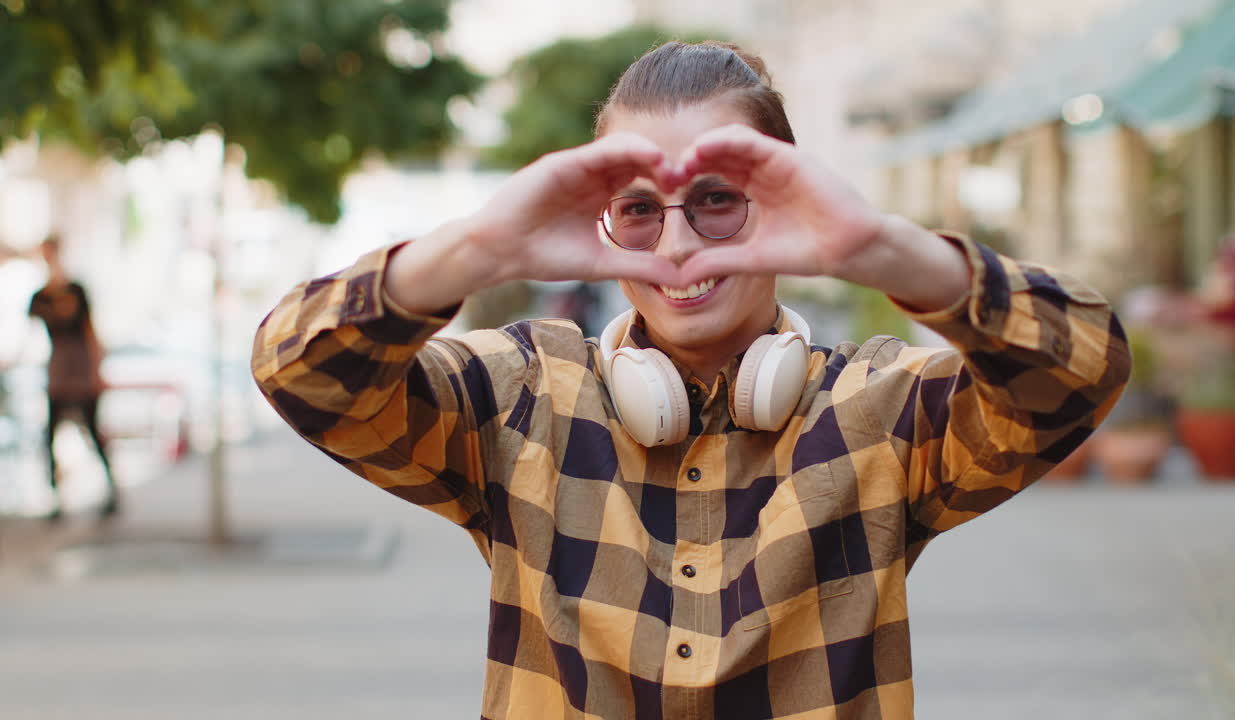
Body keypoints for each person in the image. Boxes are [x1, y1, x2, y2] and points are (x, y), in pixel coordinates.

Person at [253, 41, 1129, 719]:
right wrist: (475, 251)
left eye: (718, 200)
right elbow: (300, 373)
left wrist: (882, 250)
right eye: (637, 207)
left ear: (785, 202)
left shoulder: (880, 411)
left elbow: (1083, 367)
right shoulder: (522, 397)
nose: (676, 248)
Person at [28, 235, 118, 520]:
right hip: (58, 367)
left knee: (91, 429)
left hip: (78, 366)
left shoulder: (76, 290)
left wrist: (96, 370)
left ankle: (110, 489)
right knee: (51, 434)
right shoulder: (41, 296)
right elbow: (30, 334)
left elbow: (91, 332)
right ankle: (55, 495)